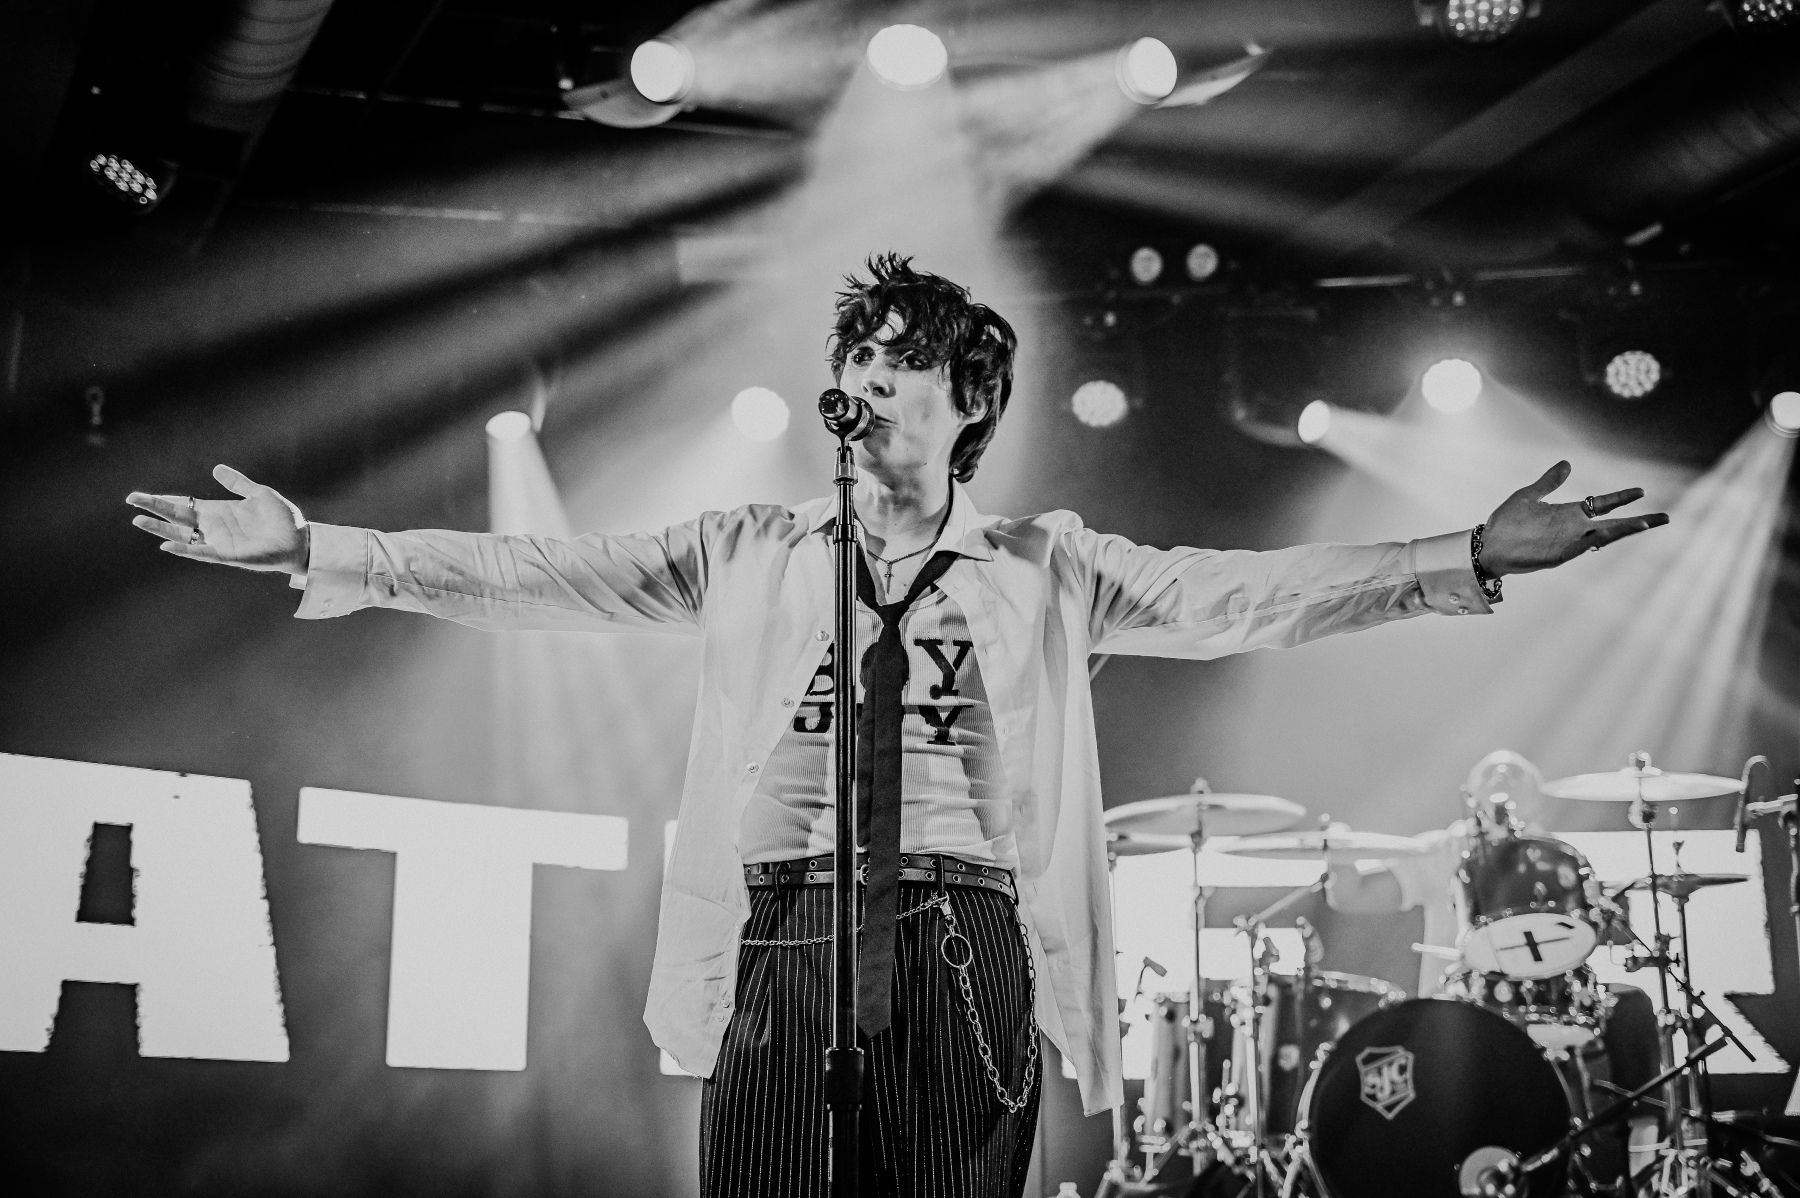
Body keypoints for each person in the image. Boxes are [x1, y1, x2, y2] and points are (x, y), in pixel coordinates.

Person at [126, 253, 1668, 1198]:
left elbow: (1246, 597)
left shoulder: (1049, 565)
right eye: (852, 361)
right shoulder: (745, 548)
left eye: (899, 364)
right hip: (783, 923)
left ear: (967, 406)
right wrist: (322, 546)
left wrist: (1463, 555)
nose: (863, 382)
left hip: (963, 930)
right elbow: (531, 573)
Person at [1323, 750, 1661, 1194]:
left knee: (1633, 1008)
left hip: (1551, 1004)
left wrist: (1612, 914)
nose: (1504, 774)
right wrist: (1338, 852)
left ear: (1537, 798)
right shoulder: (1444, 849)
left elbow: (1604, 932)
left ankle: (1643, 1173)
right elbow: (1351, 896)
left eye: (1518, 773)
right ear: (1469, 795)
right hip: (1457, 1010)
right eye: (1491, 772)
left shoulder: (1556, 857)